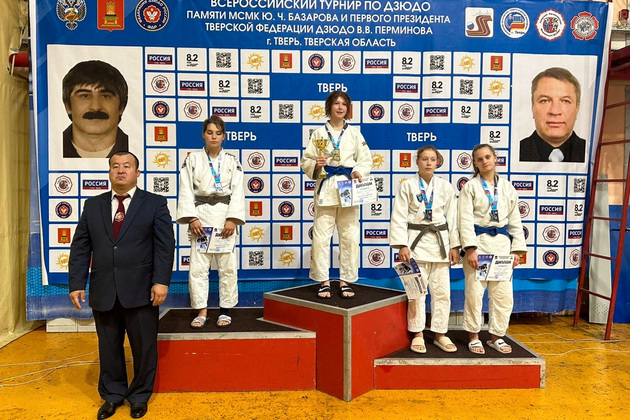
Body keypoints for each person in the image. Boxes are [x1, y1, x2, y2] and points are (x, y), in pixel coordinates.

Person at [68, 151, 175, 419]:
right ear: (109, 172)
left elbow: (165, 246)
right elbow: (81, 246)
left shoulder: (155, 203)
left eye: (127, 166)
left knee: (144, 348)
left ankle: (139, 396)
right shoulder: (93, 205)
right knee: (109, 348)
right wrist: (77, 282)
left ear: (137, 173)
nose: (120, 170)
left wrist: (161, 281)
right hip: (104, 290)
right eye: (115, 166)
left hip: (142, 291)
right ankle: (112, 395)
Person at [300, 91, 372, 299]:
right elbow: (306, 160)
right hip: (327, 185)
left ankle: (345, 279)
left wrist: (358, 171)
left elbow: (366, 159)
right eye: (336, 103)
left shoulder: (355, 133)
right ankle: (323, 280)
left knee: (350, 235)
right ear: (329, 107)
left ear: (348, 109)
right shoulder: (318, 133)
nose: (340, 107)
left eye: (344, 104)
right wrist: (316, 164)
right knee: (321, 236)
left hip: (348, 186)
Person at [176, 115, 245, 328]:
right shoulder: (192, 159)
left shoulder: (232, 161)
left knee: (227, 267)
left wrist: (232, 219)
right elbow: (185, 189)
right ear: (203, 135)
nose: (214, 137)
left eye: (218, 133)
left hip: (224, 216)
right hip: (201, 216)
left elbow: (238, 191)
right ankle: (202, 311)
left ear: (224, 136)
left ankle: (225, 310)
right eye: (210, 132)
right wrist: (192, 217)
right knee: (198, 268)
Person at [390, 146, 461, 353]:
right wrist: (402, 244)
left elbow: (453, 218)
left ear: (438, 162)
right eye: (424, 159)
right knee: (416, 293)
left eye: (432, 159)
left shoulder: (445, 186)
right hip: (415, 244)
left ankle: (440, 333)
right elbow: (399, 216)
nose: (428, 163)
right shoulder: (407, 186)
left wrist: (455, 246)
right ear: (417, 161)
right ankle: (418, 333)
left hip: (440, 245)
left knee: (442, 293)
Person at [459, 144, 527, 355]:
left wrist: (516, 251)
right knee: (474, 293)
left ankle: (497, 336)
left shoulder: (507, 187)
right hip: (479, 244)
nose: (485, 161)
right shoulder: (470, 187)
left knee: (503, 295)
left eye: (488, 157)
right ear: (475, 163)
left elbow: (515, 220)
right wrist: (470, 249)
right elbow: (464, 220)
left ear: (495, 158)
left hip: (502, 246)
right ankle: (474, 336)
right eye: (480, 159)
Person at [62, 60, 129, 158]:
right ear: (68, 106)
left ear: (121, 107)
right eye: (85, 96)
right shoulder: (50, 149)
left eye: (105, 96)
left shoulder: (139, 147)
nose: (95, 107)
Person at [519, 67, 586, 162]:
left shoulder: (591, 152)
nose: (555, 111)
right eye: (545, 101)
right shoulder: (515, 151)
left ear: (577, 108)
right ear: (532, 107)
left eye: (565, 101)